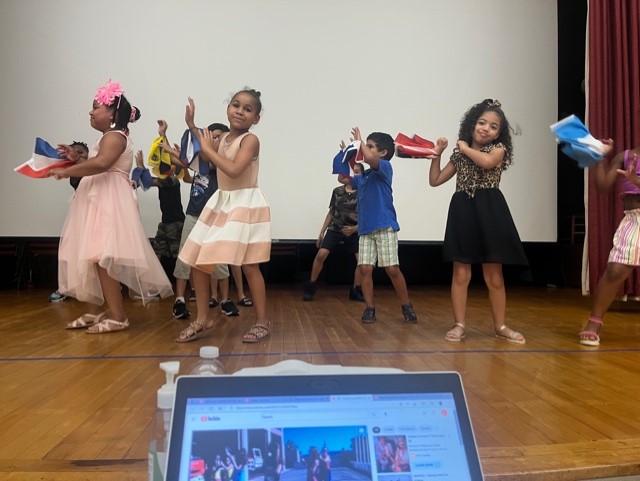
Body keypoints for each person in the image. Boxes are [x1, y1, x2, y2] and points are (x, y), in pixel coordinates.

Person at [48, 79, 173, 332]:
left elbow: (103, 163)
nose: (91, 112)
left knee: (102, 257)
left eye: (96, 107)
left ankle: (118, 315)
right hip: (97, 197)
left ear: (113, 114)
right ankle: (96, 311)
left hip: (108, 200)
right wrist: (75, 157)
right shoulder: (108, 136)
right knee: (92, 257)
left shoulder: (116, 136)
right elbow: (96, 159)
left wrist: (70, 170)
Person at [176, 89, 271, 343]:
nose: (240, 111)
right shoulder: (225, 138)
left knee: (250, 264)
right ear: (228, 108)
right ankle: (203, 317)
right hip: (222, 203)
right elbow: (206, 157)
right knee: (199, 259)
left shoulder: (250, 140)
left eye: (248, 109)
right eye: (236, 105)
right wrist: (193, 127)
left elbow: (234, 169)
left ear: (256, 118)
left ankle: (262, 322)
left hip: (243, 203)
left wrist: (208, 146)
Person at [428, 99, 527, 344]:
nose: (486, 128)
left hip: (490, 210)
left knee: (494, 275)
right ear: (472, 125)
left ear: (499, 133)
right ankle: (459, 324)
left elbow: (486, 162)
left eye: (493, 126)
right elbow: (435, 180)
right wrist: (437, 155)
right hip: (463, 210)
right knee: (461, 273)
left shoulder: (498, 149)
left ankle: (500, 325)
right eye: (481, 122)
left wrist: (464, 149)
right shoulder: (459, 154)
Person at [338, 128, 417, 324]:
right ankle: (369, 308)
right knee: (365, 269)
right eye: (367, 146)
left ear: (382, 153)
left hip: (384, 225)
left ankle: (406, 305)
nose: (366, 149)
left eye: (371, 146)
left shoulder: (384, 167)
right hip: (365, 230)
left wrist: (360, 142)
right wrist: (346, 156)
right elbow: (343, 178)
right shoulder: (363, 178)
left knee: (391, 269)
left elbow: (371, 161)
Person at [162, 123, 240, 320]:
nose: (215, 140)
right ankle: (180, 300)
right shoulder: (199, 162)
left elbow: (202, 161)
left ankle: (224, 300)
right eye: (211, 136)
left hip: (214, 218)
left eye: (219, 137)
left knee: (219, 260)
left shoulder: (220, 163)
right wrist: (163, 135)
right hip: (194, 214)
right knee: (184, 257)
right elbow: (176, 159)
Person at [580, 144, 639, 346]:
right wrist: (598, 158)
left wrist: (636, 182)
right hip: (634, 220)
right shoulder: (626, 156)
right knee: (615, 270)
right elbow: (603, 186)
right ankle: (594, 323)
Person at [132, 120, 187, 283]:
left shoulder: (173, 180)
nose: (164, 167)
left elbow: (150, 182)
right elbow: (148, 183)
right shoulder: (166, 179)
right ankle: (154, 284)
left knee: (180, 257)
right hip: (165, 224)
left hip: (177, 224)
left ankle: (188, 289)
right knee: (158, 251)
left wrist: (142, 167)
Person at [303, 162, 365, 302]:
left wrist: (355, 228)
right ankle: (311, 286)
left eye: (356, 172)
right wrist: (322, 231)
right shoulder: (337, 191)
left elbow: (368, 215)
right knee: (321, 254)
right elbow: (332, 211)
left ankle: (356, 290)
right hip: (336, 228)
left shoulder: (364, 192)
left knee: (361, 261)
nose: (352, 174)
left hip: (355, 230)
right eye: (351, 171)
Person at [49, 141, 89, 303]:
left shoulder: (91, 167)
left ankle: (105, 287)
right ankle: (66, 287)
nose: (79, 155)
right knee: (68, 250)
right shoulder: (73, 169)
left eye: (82, 152)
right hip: (77, 210)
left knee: (93, 251)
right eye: (76, 152)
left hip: (94, 209)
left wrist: (77, 158)